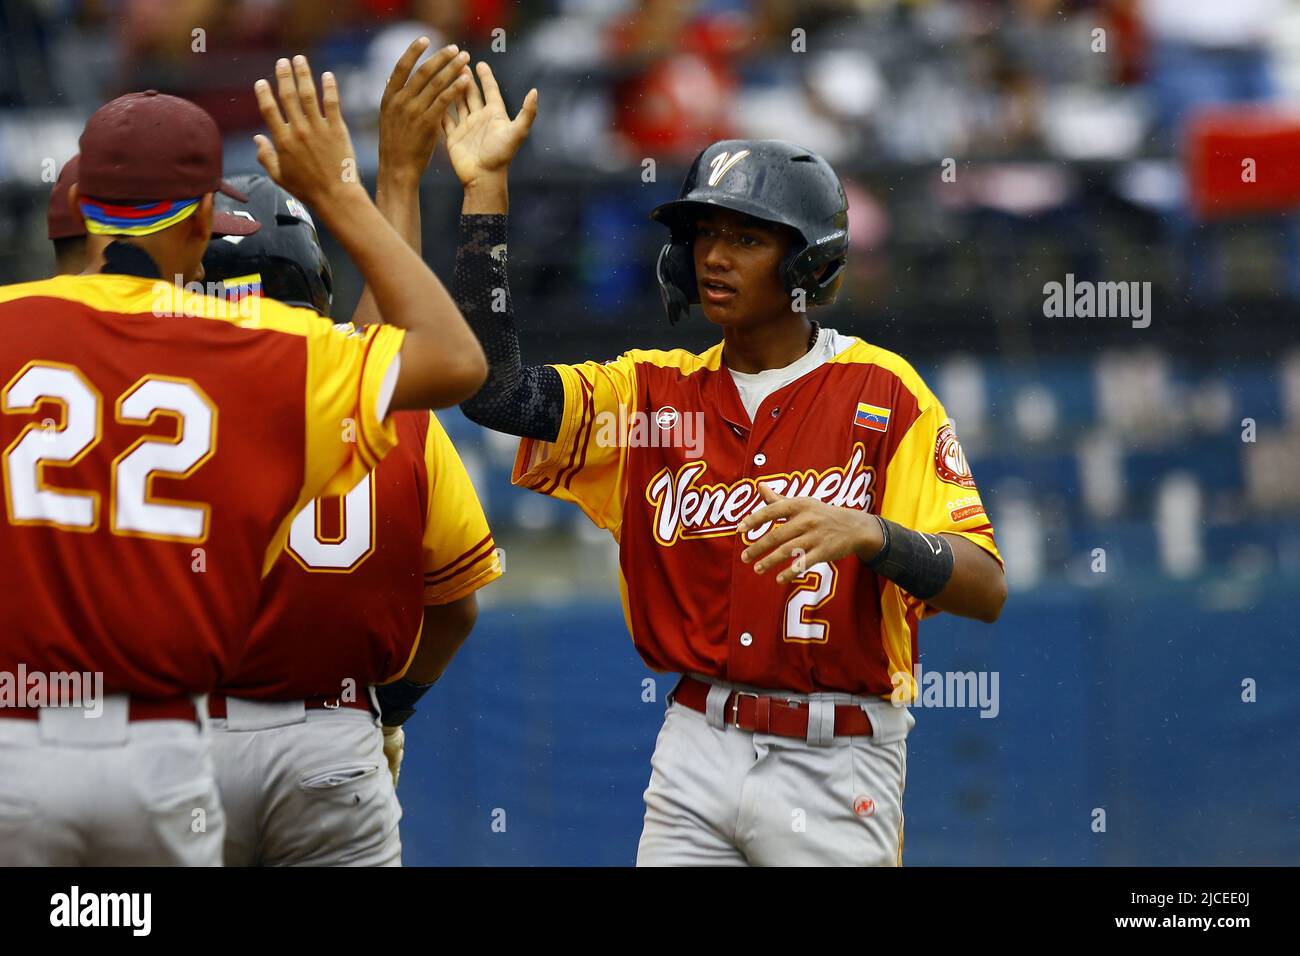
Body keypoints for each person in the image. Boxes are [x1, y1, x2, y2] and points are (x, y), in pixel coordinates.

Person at [446, 62, 1006, 866]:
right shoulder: (648, 394)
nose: (715, 256)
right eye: (705, 233)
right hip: (695, 748)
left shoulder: (885, 393)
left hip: (838, 757)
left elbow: (985, 587)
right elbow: (492, 392)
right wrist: (486, 193)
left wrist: (873, 534)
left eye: (746, 237)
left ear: (809, 263)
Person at [0, 56, 484, 865]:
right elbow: (450, 359)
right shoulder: (248, 352)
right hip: (163, 743)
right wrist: (347, 191)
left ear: (83, 210)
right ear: (199, 221)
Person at [202, 39, 500, 867]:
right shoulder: (383, 393)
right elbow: (457, 606)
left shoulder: (155, 385)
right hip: (332, 739)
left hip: (179, 736)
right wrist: (389, 706)